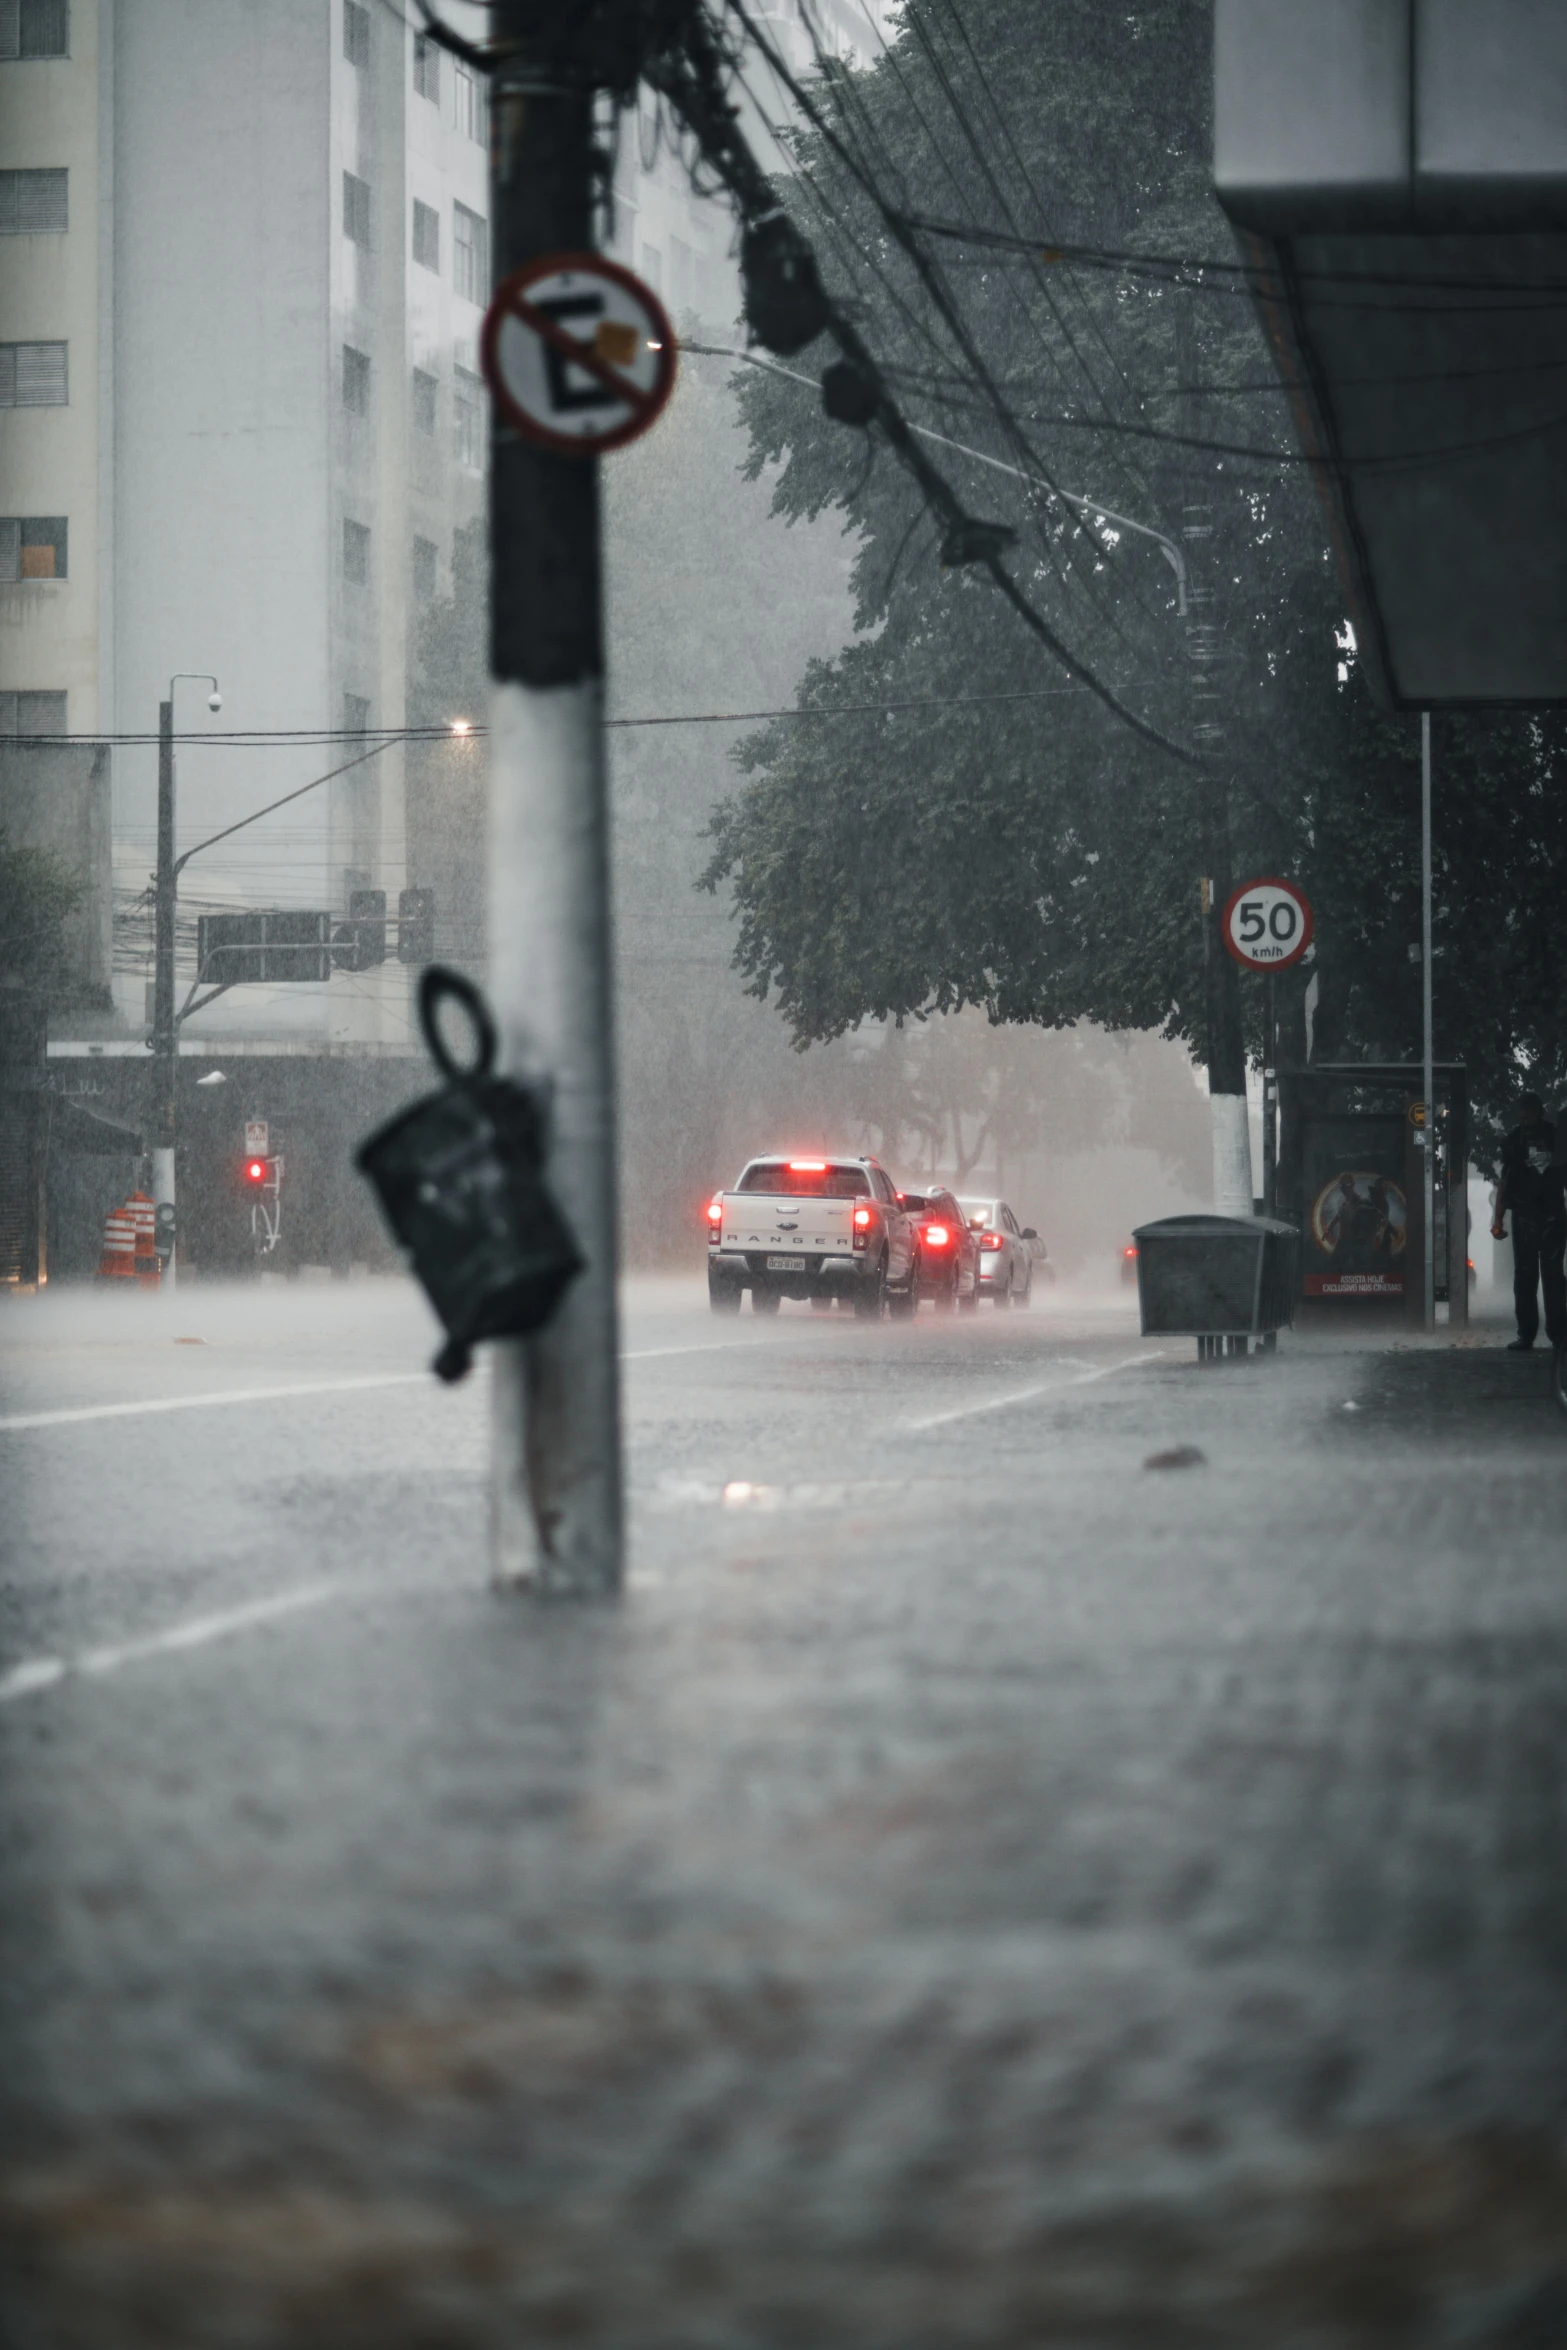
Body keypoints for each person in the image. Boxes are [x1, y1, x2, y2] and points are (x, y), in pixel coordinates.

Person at [1491, 1090, 1566, 1351]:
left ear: (1537, 1111)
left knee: (1552, 1277)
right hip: (1527, 1216)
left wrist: (1499, 1218)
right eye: (1522, 1115)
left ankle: (1556, 1334)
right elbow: (1506, 1179)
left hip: (1551, 1216)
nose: (1525, 1119)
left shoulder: (1557, 1137)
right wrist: (1498, 1218)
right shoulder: (1515, 1139)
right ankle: (1529, 1334)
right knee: (1526, 1277)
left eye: (1528, 1114)